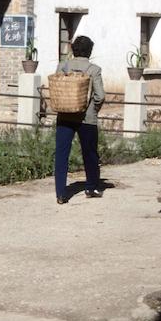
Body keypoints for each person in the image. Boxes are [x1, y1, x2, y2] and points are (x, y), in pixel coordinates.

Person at [54, 35, 105, 204]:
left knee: (61, 154)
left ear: (73, 50)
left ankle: (61, 193)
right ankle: (91, 187)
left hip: (64, 115)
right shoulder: (94, 70)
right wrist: (93, 109)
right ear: (90, 51)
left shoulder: (63, 66)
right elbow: (100, 95)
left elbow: (57, 89)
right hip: (86, 117)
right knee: (90, 152)